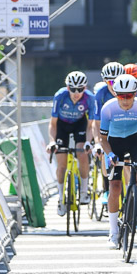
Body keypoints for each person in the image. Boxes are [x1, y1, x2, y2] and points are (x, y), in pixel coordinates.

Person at [98, 74, 137, 247]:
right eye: (122, 96)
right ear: (116, 94)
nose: (126, 100)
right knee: (114, 186)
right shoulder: (108, 109)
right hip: (114, 143)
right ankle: (113, 232)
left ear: (135, 94)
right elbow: (102, 140)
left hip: (136, 140)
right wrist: (110, 155)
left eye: (129, 96)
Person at [49, 71, 98, 211]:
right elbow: (52, 124)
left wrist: (89, 142)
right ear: (67, 87)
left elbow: (91, 125)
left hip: (80, 125)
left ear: (85, 88)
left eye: (80, 89)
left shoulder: (89, 98)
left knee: (82, 153)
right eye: (73, 89)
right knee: (61, 164)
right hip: (62, 126)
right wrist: (52, 141)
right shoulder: (60, 96)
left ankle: (83, 192)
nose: (76, 93)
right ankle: (60, 198)